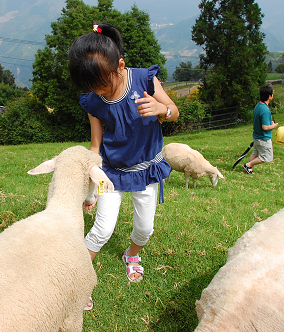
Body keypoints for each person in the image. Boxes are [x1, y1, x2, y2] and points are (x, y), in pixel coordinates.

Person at [68, 22, 179, 310]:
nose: (98, 90)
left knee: (145, 229)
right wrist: (90, 192)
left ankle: (131, 255)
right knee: (102, 230)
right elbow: (95, 147)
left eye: (103, 82)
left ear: (120, 65)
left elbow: (174, 112)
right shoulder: (94, 101)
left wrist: (161, 109)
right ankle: (78, 280)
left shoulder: (144, 80)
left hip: (146, 170)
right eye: (91, 86)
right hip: (111, 172)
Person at [242, 85, 278, 174]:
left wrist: (270, 123)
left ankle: (249, 169)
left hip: (257, 135)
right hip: (263, 138)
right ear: (270, 96)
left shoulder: (258, 105)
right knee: (267, 157)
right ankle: (248, 165)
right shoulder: (265, 110)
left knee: (255, 153)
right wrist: (273, 126)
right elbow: (265, 127)